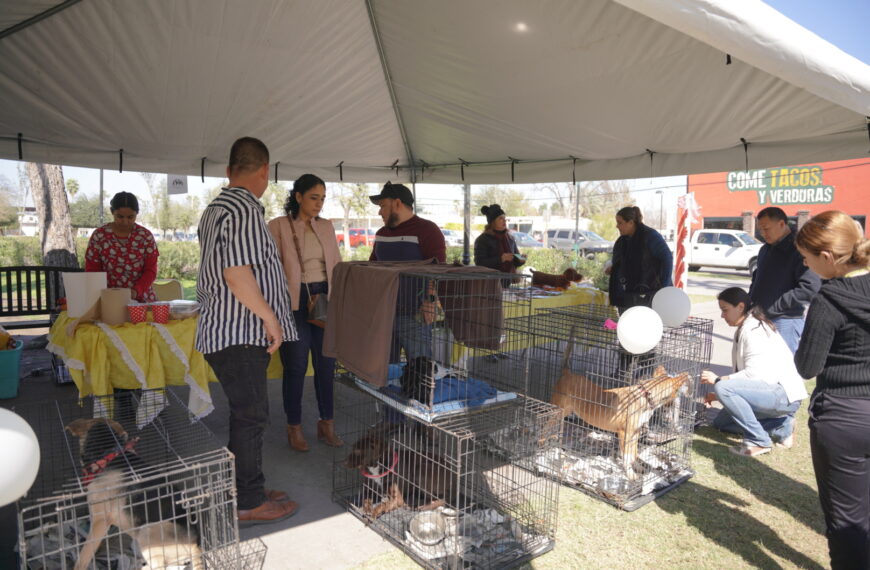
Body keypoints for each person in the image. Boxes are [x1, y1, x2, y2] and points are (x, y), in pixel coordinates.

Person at [196, 137, 298, 525]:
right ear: (264, 172)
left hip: (227, 331)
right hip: (238, 332)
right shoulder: (242, 208)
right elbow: (237, 274)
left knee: (247, 414)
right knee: (251, 415)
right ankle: (248, 503)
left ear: (228, 171)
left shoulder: (216, 208)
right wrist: (271, 319)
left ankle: (244, 488)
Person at [793, 210, 870, 569]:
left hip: (843, 418)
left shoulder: (830, 299)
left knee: (846, 522)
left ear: (826, 257)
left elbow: (807, 366)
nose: (805, 265)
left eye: (806, 259)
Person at [268, 174, 343, 452]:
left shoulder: (327, 227)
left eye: (323, 198)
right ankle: (294, 426)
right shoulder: (277, 226)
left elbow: (336, 264)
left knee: (326, 365)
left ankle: (327, 424)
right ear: (298, 196)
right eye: (314, 197)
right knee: (296, 365)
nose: (319, 203)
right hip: (293, 300)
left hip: (325, 297)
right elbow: (268, 269)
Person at [701, 287, 808, 457]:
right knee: (721, 423)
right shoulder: (747, 326)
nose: (722, 315)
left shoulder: (754, 330)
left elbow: (754, 375)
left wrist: (718, 381)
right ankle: (781, 425)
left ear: (741, 307)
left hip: (783, 394)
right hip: (770, 393)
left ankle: (759, 441)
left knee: (723, 387)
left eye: (725, 310)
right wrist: (719, 394)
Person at [369, 182, 446, 360]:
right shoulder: (381, 233)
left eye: (382, 206)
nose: (379, 212)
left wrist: (431, 301)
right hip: (383, 314)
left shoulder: (428, 230)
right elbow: (373, 266)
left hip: (415, 315)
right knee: (384, 368)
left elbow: (439, 270)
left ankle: (421, 388)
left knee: (420, 366)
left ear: (397, 203)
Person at [749, 206, 821, 354]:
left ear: (781, 224)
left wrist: (777, 305)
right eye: (760, 230)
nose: (763, 234)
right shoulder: (765, 249)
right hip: (760, 318)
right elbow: (757, 277)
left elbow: (810, 288)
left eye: (766, 229)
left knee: (783, 370)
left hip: (785, 320)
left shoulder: (799, 249)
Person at [84, 191, 158, 302]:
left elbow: (150, 271)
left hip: (141, 299)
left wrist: (135, 291)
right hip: (108, 299)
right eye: (120, 216)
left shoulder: (145, 236)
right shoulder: (99, 236)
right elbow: (93, 270)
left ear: (137, 214)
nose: (125, 222)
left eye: (130, 217)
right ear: (112, 212)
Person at [606, 206, 673, 313]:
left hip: (651, 294)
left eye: (620, 222)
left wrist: (664, 288)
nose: (617, 226)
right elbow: (627, 263)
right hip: (628, 295)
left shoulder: (650, 236)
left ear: (631, 222)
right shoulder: (622, 241)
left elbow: (667, 259)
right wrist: (615, 268)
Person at [473, 204, 525, 277]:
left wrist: (521, 260)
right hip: (489, 282)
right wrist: (501, 259)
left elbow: (515, 259)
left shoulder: (510, 238)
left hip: (507, 281)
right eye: (500, 218)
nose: (504, 220)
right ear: (492, 222)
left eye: (504, 218)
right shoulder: (482, 240)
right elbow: (479, 263)